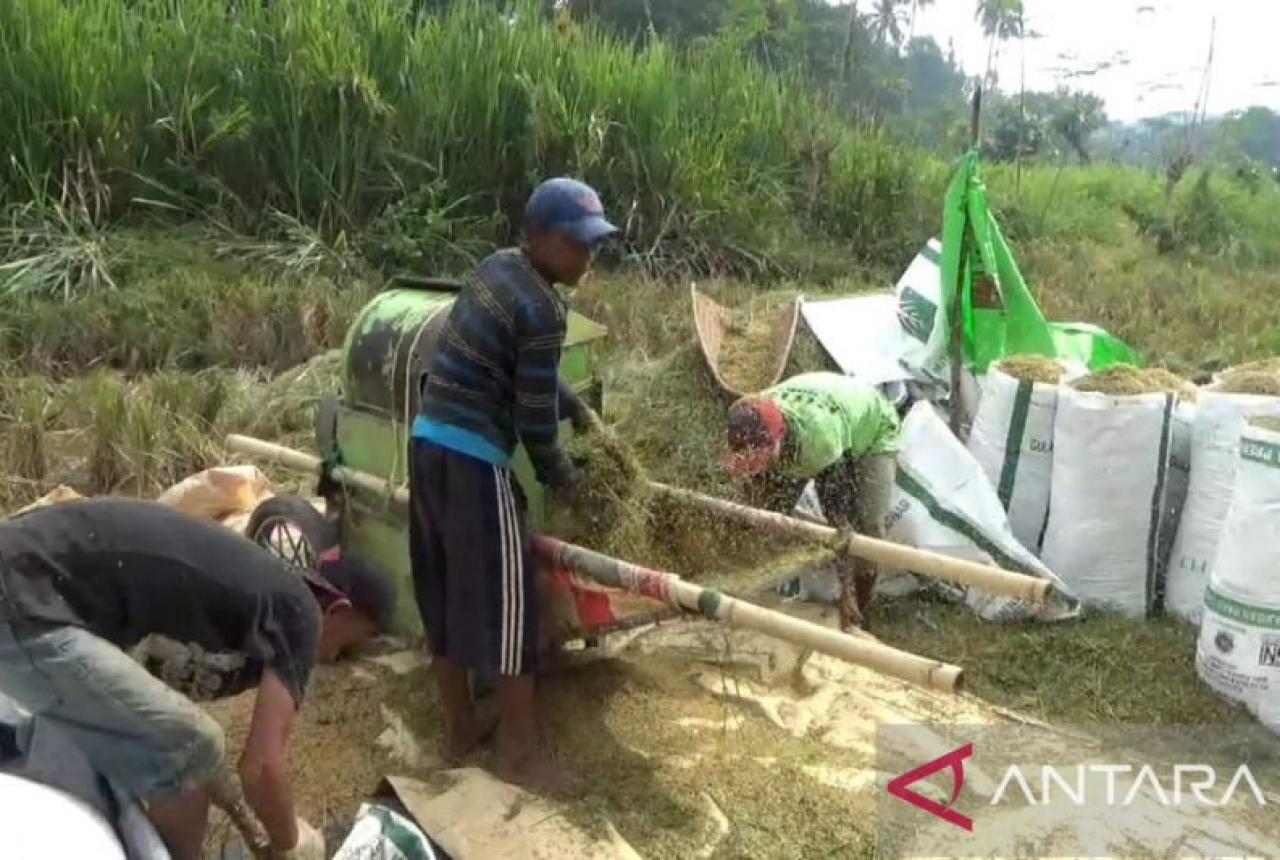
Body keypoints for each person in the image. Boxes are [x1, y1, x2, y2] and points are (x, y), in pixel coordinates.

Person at [0, 497, 394, 860]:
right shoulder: (299, 610)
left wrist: (207, 777)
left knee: (162, 751)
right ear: (339, 611)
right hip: (24, 599)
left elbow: (148, 696)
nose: (337, 656)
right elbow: (259, 769)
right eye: (351, 642)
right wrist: (292, 844)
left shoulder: (255, 596)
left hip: (29, 588)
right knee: (189, 748)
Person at [408, 176, 618, 797]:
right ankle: (520, 755)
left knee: (442, 591)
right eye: (580, 244)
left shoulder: (496, 270)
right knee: (510, 606)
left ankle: (459, 727)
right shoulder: (546, 308)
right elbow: (531, 422)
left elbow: (528, 368)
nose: (589, 257)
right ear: (545, 238)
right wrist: (567, 480)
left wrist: (576, 405)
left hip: (427, 445)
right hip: (475, 461)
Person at [723, 372, 901, 631]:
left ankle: (857, 611)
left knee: (868, 527)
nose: (753, 464)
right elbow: (757, 503)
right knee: (765, 510)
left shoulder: (818, 443)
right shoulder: (750, 415)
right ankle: (756, 586)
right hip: (824, 408)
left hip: (873, 425)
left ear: (778, 438)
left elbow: (839, 525)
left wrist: (845, 591)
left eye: (758, 457)